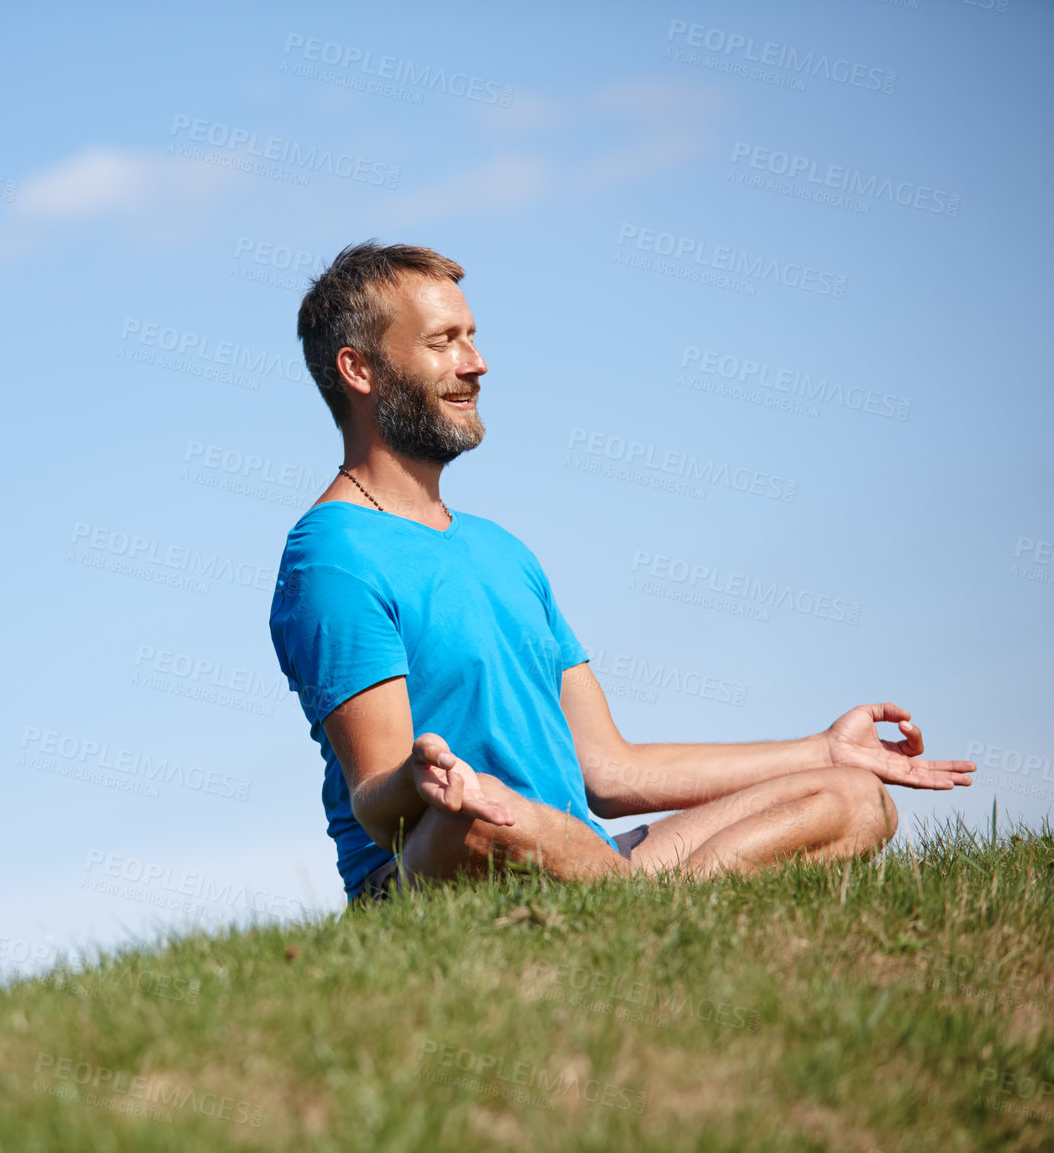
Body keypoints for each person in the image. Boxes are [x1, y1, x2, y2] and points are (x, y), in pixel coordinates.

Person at [267, 241, 975, 903]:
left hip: (582, 857)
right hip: (434, 865)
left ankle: (634, 911)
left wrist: (822, 748)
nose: (476, 363)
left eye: (472, 337)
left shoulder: (501, 550)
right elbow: (372, 801)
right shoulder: (332, 556)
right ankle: (634, 903)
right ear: (359, 370)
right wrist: (419, 781)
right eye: (442, 343)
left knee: (852, 798)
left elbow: (607, 770)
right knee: (490, 816)